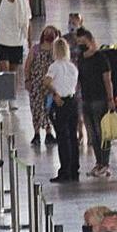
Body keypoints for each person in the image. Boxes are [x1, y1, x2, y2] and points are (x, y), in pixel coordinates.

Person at [75, 28, 115, 178]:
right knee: (92, 134)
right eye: (78, 43)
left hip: (100, 99)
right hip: (86, 99)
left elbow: (107, 79)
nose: (80, 45)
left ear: (91, 41)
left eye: (83, 42)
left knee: (102, 132)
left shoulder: (101, 58)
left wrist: (110, 99)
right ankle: (99, 163)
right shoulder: (81, 58)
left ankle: (105, 163)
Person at [45, 38, 82, 182]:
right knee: (72, 136)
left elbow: (46, 81)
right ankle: (74, 169)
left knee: (62, 137)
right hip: (72, 101)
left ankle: (64, 170)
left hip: (60, 102)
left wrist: (55, 94)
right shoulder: (72, 67)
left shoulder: (55, 66)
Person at [22, 26, 60, 146]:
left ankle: (49, 133)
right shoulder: (36, 49)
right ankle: (36, 133)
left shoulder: (56, 51)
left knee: (49, 109)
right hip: (36, 84)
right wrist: (27, 80)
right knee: (36, 108)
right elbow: (28, 65)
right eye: (47, 32)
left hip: (50, 86)